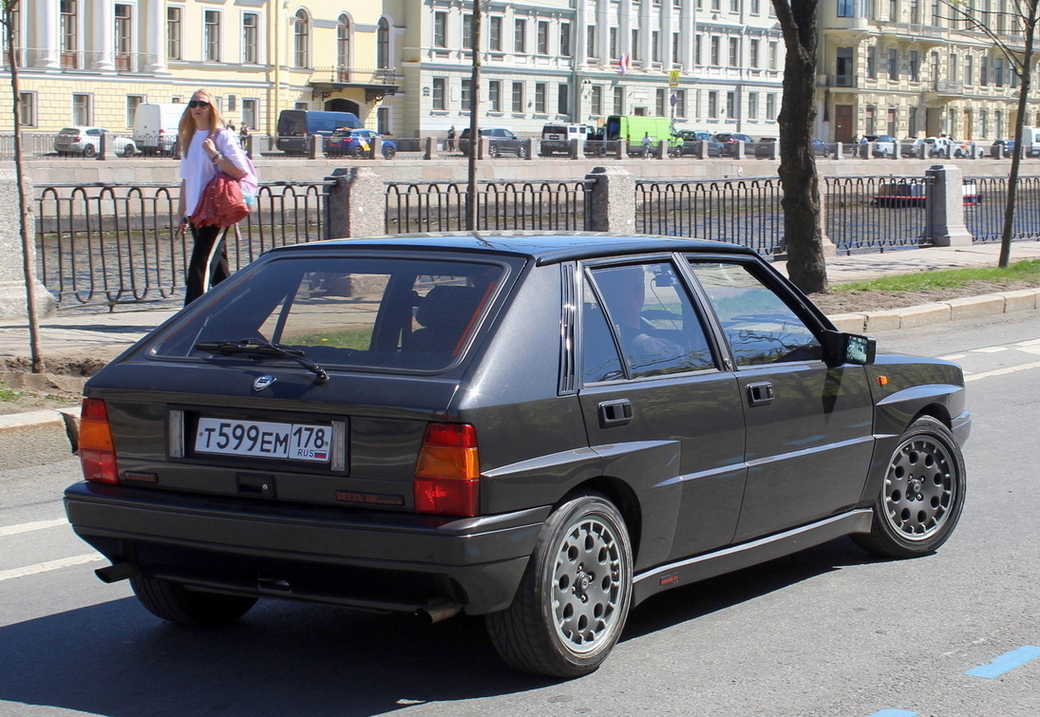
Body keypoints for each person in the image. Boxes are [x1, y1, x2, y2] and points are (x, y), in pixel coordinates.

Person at [176, 89, 255, 305]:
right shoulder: (189, 138)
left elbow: (240, 171)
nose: (197, 108)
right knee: (218, 267)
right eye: (193, 104)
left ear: (212, 107)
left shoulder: (222, 136)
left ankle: (191, 315)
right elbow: (186, 179)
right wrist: (181, 213)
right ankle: (234, 309)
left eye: (202, 104)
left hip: (216, 210)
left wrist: (214, 154)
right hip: (195, 212)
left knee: (200, 264)